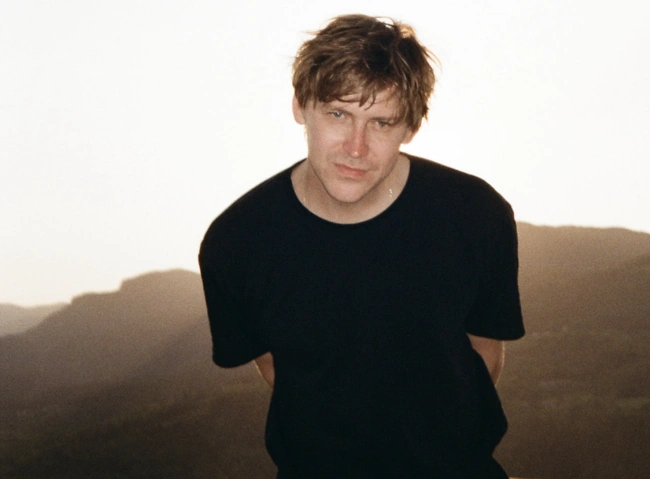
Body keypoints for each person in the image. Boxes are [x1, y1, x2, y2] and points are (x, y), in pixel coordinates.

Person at [199, 14, 524, 479]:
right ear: (300, 105)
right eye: (338, 114)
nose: (356, 147)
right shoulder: (237, 244)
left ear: (410, 128)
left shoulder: (474, 215)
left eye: (381, 122)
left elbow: (484, 353)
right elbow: (280, 370)